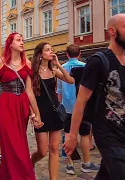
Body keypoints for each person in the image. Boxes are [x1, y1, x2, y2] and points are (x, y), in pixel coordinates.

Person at [64, 14, 125, 180]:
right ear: (112, 31)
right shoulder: (99, 61)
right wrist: (71, 135)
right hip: (107, 132)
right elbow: (81, 101)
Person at [0, 33, 43, 180]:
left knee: (21, 142)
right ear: (10, 44)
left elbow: (29, 91)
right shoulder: (0, 62)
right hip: (6, 104)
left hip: (21, 105)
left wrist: (37, 113)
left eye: (22, 39)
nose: (22, 42)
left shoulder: (27, 63)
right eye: (18, 40)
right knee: (11, 144)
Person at [30, 42, 74, 180]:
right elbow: (29, 94)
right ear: (40, 53)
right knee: (43, 151)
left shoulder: (53, 71)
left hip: (55, 112)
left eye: (51, 49)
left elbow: (71, 80)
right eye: (47, 50)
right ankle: (30, 162)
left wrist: (58, 64)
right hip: (41, 113)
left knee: (54, 149)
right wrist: (33, 114)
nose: (51, 52)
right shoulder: (33, 73)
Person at [57, 44, 99, 175]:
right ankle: (86, 163)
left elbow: (59, 91)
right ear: (80, 53)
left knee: (68, 134)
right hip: (82, 108)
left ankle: (70, 165)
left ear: (67, 55)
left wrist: (61, 106)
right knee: (85, 135)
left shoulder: (61, 69)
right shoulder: (86, 67)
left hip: (67, 107)